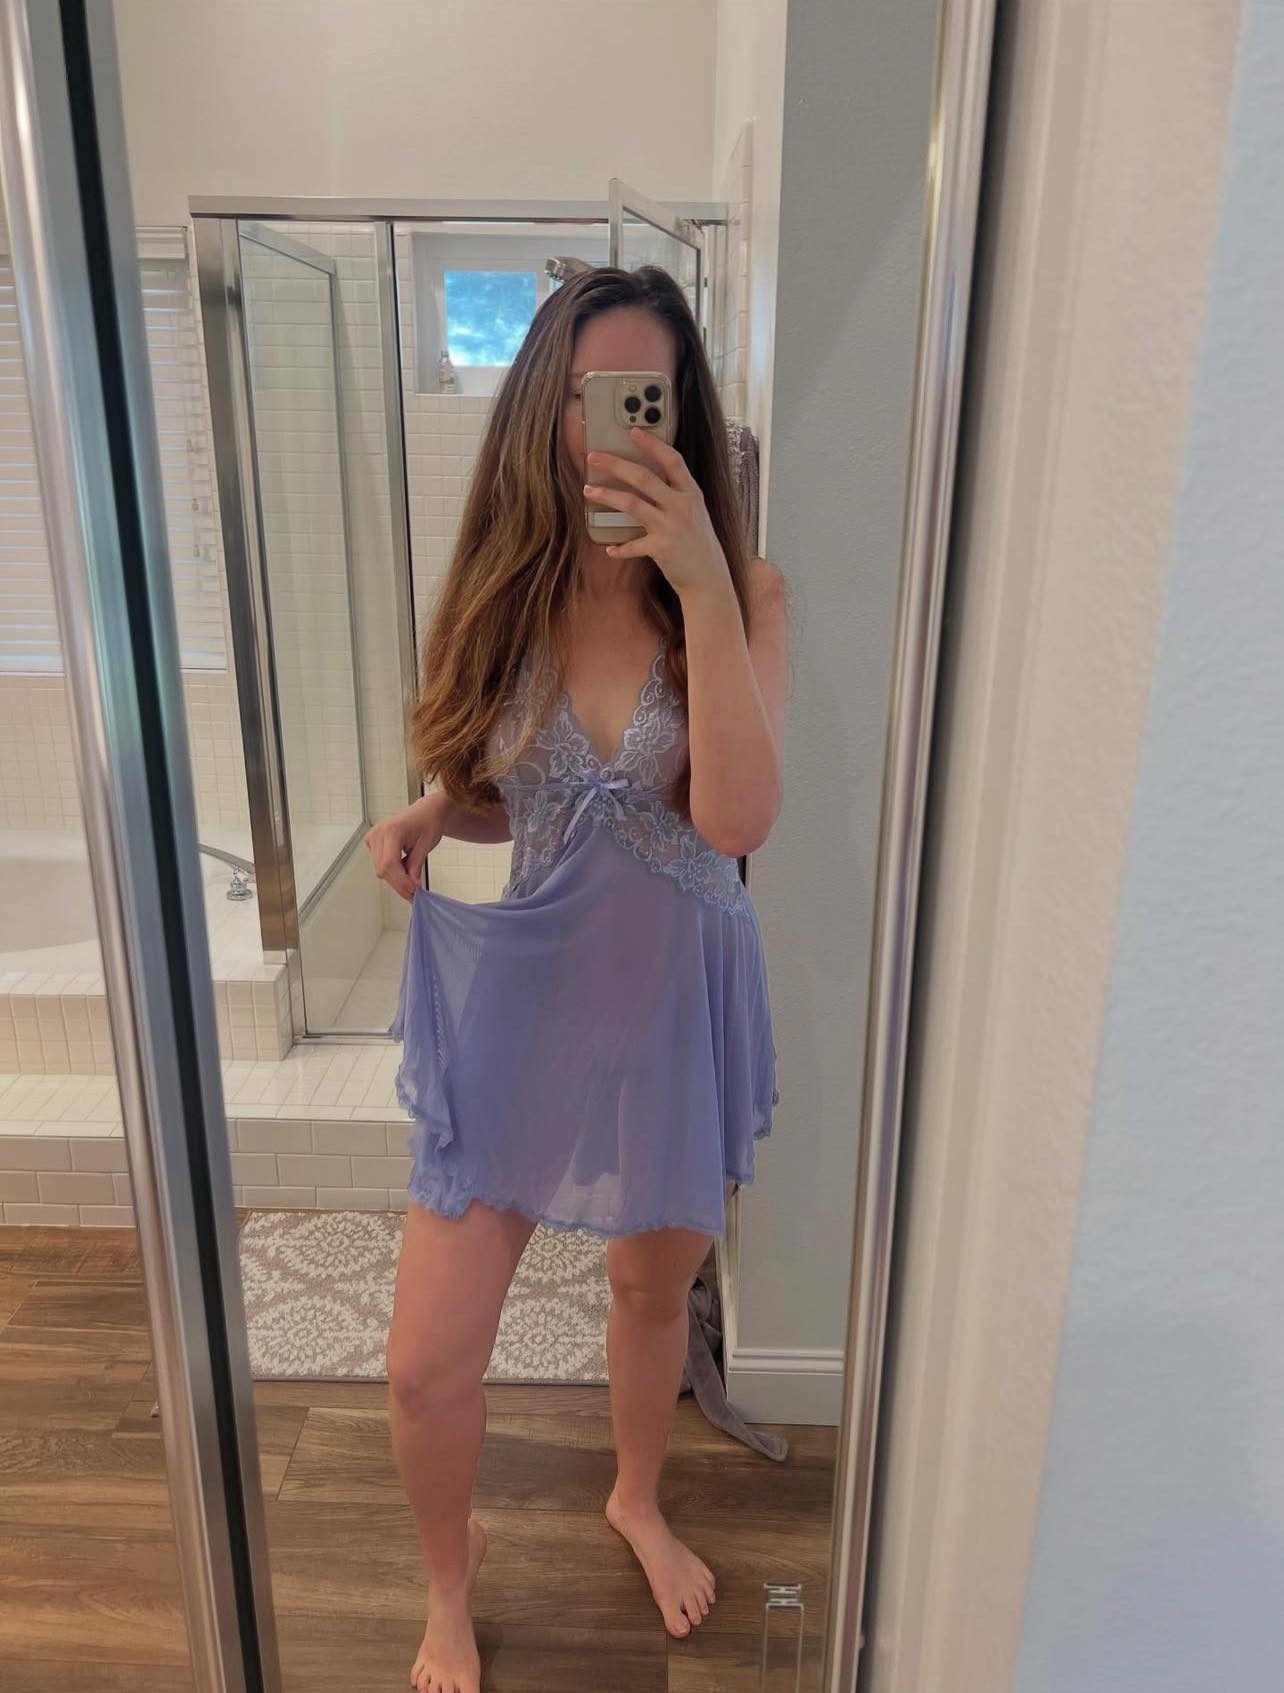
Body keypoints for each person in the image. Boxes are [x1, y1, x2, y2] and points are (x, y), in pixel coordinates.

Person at [364, 265, 788, 1693]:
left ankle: (636, 1498)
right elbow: (520, 794)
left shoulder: (743, 596)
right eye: (588, 394)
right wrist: (439, 811)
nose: (612, 426)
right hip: (533, 993)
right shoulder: (509, 591)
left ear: (682, 412)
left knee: (649, 1290)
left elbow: (732, 819)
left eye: (642, 396)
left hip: (678, 1007)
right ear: (547, 406)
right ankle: (449, 1579)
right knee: (424, 1362)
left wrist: (706, 582)